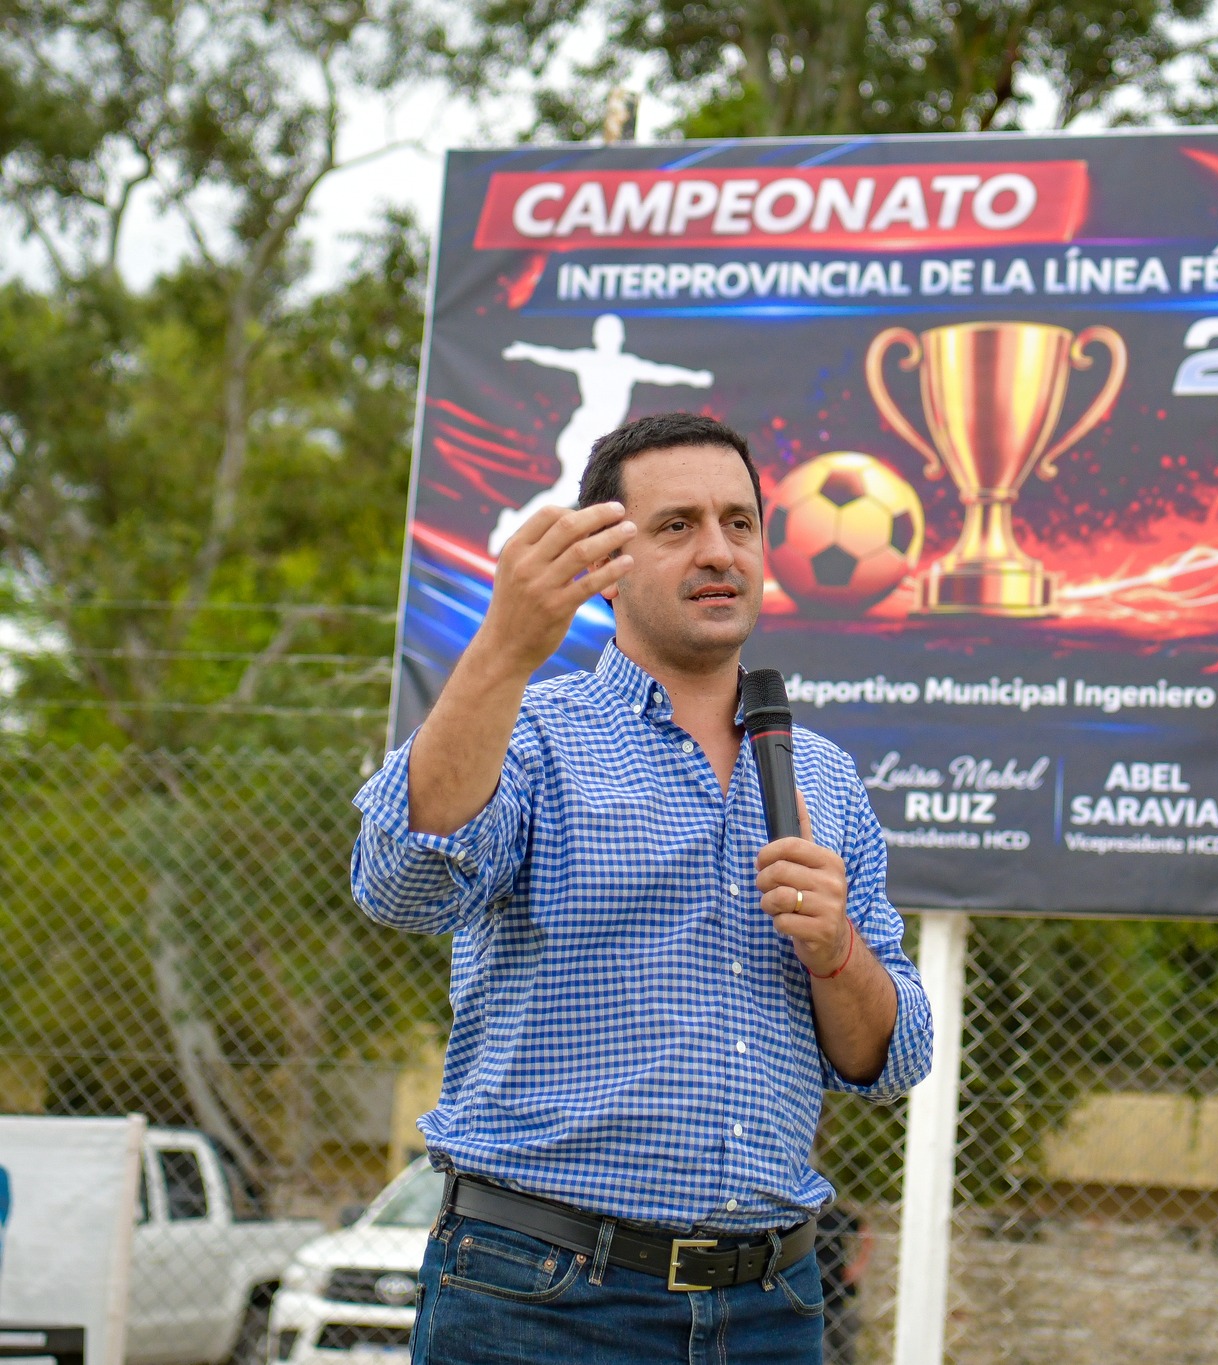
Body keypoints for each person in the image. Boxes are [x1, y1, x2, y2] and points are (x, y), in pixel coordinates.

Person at [350, 411, 932, 1364]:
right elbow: (400, 885)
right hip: (542, 1299)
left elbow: (892, 1057)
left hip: (770, 1308)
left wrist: (837, 952)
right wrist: (504, 645)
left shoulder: (823, 777)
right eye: (677, 526)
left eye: (739, 523)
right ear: (607, 562)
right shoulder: (531, 732)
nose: (719, 552)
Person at [488, 316, 714, 555]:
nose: (609, 339)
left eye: (613, 334)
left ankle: (518, 525)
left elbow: (661, 373)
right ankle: (513, 526)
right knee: (570, 492)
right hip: (583, 435)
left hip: (605, 442)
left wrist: (694, 378)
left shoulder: (626, 365)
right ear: (597, 337)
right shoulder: (588, 360)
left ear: (620, 338)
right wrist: (525, 350)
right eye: (605, 334)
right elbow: (553, 356)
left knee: (600, 495)